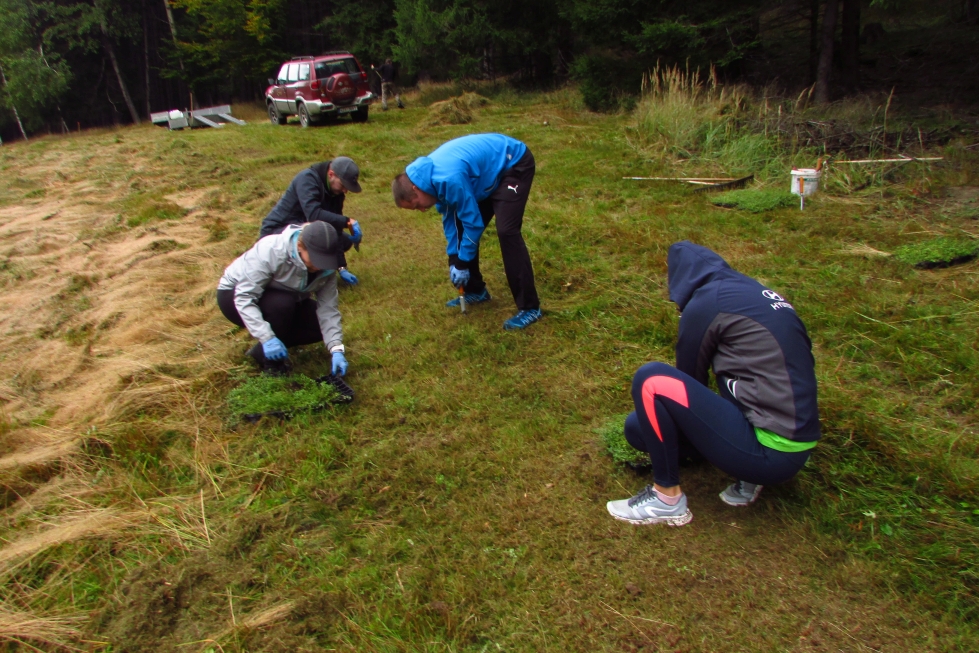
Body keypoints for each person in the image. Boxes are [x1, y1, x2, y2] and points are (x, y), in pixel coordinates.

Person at [606, 241, 820, 526]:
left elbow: (688, 379)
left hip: (771, 453)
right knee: (637, 427)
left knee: (652, 380)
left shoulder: (707, 304)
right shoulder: (751, 292)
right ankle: (747, 475)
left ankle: (666, 499)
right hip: (796, 445)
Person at [392, 133, 542, 331]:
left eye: (416, 205)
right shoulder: (430, 183)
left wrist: (463, 263)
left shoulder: (448, 179)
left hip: (512, 164)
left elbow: (474, 223)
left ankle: (530, 307)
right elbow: (451, 219)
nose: (420, 210)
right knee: (461, 224)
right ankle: (476, 290)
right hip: (485, 177)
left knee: (507, 231)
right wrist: (454, 258)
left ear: (415, 188)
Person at [217, 221, 349, 377]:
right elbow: (244, 297)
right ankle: (272, 365)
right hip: (234, 296)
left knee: (317, 325)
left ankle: (259, 352)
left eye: (325, 260)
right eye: (315, 259)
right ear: (300, 246)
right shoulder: (271, 250)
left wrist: (336, 349)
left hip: (287, 299)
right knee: (281, 304)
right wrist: (267, 338)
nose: (320, 267)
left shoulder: (327, 267)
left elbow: (328, 309)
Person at [259, 157, 364, 286]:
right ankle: (294, 279)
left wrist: (342, 267)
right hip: (277, 233)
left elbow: (334, 229)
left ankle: (313, 273)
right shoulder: (307, 179)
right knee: (318, 240)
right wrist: (346, 221)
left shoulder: (336, 192)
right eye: (343, 185)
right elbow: (313, 214)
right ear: (331, 174)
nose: (345, 190)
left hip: (302, 230)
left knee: (344, 240)